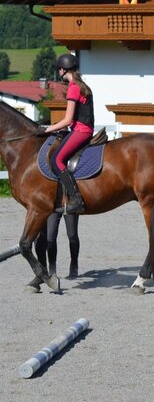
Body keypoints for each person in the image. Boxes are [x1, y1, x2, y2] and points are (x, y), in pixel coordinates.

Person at [40, 53, 93, 214]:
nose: (59, 72)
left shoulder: (73, 88)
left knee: (56, 160)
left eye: (59, 70)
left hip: (81, 131)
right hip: (83, 128)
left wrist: (47, 129)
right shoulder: (82, 85)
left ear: (63, 70)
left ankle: (76, 199)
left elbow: (68, 119)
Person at [43, 211, 81, 278]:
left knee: (72, 236)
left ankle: (74, 264)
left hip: (69, 206)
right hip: (54, 207)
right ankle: (52, 268)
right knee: (50, 237)